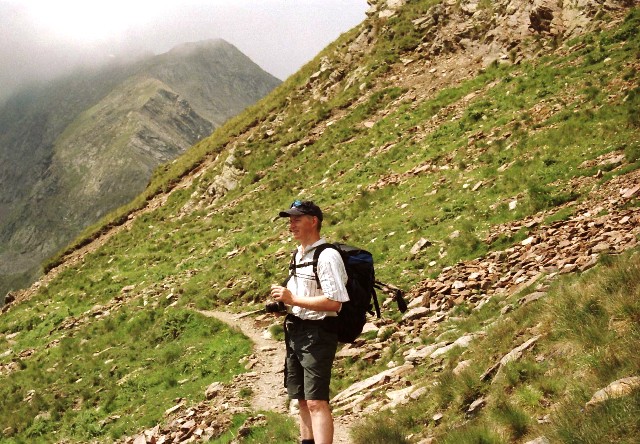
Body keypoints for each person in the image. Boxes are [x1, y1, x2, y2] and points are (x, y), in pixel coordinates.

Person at [270, 200, 349, 444]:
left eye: (296, 219)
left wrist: (293, 298)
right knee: (302, 398)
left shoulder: (327, 256)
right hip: (296, 330)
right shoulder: (299, 254)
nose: (291, 225)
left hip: (318, 333)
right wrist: (286, 304)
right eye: (290, 220)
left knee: (316, 401)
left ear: (313, 221)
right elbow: (304, 296)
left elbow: (335, 302)